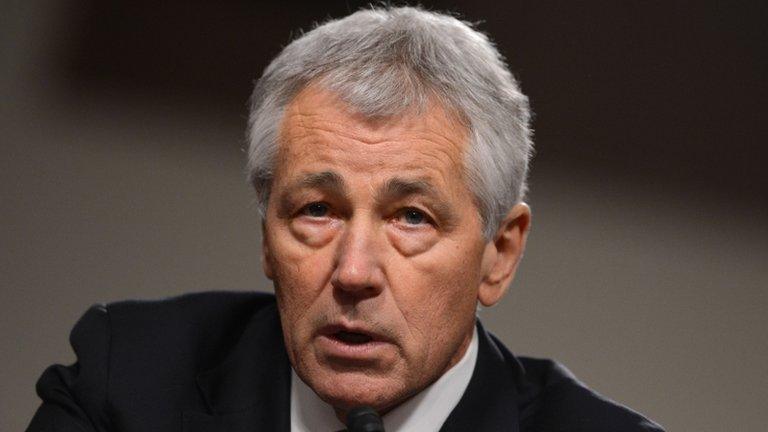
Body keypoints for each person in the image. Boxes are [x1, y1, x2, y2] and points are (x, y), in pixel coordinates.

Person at [27, 6, 664, 432]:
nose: (354, 272)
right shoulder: (126, 385)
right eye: (318, 210)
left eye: (411, 217)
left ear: (499, 253)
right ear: (267, 237)